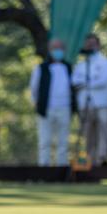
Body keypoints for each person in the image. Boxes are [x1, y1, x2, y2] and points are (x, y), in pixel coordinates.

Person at [29, 38, 77, 166]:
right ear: (49, 50)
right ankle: (44, 169)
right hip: (46, 109)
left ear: (64, 50)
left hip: (65, 108)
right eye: (54, 48)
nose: (57, 51)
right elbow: (34, 89)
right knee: (45, 141)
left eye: (60, 48)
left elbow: (74, 87)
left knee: (63, 142)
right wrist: (37, 104)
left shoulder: (69, 67)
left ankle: (61, 169)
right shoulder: (41, 68)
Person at [71, 33, 107, 166]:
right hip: (85, 104)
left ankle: (101, 158)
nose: (90, 46)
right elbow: (74, 81)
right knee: (88, 134)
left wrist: (86, 83)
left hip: (102, 103)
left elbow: (104, 80)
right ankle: (88, 161)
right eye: (88, 44)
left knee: (103, 131)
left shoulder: (106, 62)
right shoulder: (81, 65)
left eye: (93, 44)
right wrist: (91, 81)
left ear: (98, 45)